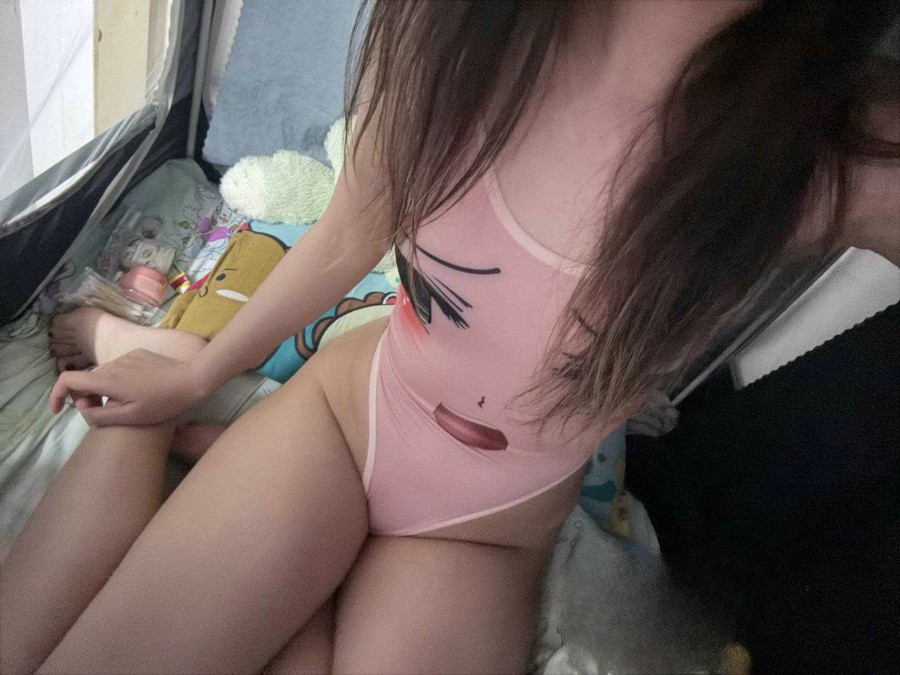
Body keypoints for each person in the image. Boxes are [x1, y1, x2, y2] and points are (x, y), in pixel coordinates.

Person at [2, 1, 897, 673]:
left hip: (486, 528)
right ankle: (165, 368)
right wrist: (197, 381)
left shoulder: (830, 151)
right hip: (350, 420)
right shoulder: (461, 24)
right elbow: (348, 232)